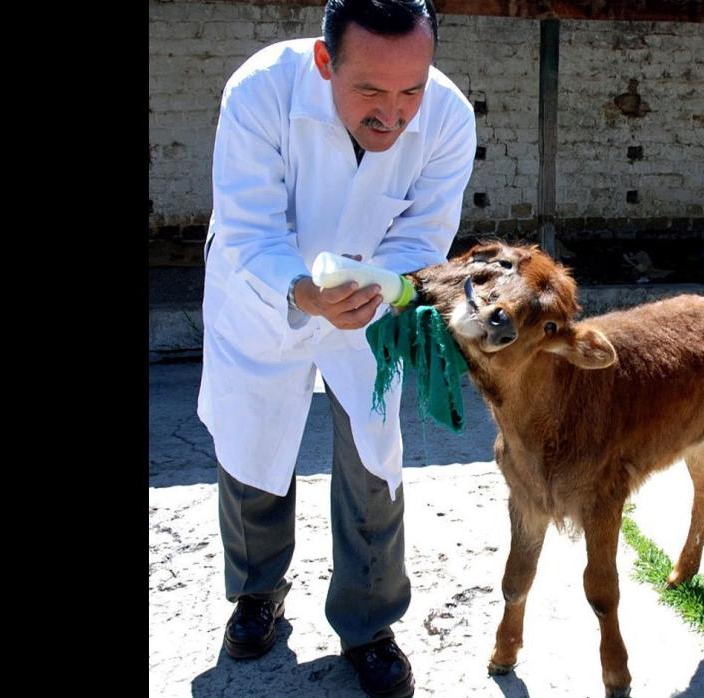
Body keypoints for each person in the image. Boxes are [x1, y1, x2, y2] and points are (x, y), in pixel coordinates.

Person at [196, 1, 476, 695]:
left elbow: (424, 235)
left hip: (367, 301)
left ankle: (370, 624)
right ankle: (257, 593)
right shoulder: (260, 91)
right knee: (253, 448)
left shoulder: (448, 116)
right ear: (326, 63)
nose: (395, 112)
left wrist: (381, 289)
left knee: (373, 460)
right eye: (371, 91)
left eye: (411, 87)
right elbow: (248, 226)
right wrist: (301, 290)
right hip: (264, 294)